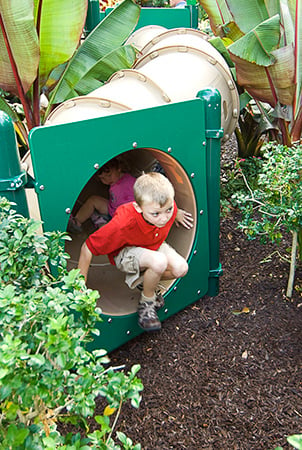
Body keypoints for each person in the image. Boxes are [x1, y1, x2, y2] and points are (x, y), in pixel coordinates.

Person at [78, 172, 194, 332]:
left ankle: (144, 282)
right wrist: (79, 285)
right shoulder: (123, 223)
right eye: (156, 214)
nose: (164, 219)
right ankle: (147, 304)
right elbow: (88, 247)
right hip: (125, 252)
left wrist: (177, 213)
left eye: (168, 210)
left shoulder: (168, 208)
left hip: (153, 244)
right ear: (138, 207)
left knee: (181, 268)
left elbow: (167, 209)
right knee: (159, 261)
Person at [68, 157, 136, 233]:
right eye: (102, 178)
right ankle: (76, 222)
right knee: (93, 200)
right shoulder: (114, 181)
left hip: (122, 217)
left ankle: (101, 221)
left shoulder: (129, 182)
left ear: (119, 169)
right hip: (112, 209)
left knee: (104, 230)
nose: (107, 180)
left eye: (109, 175)